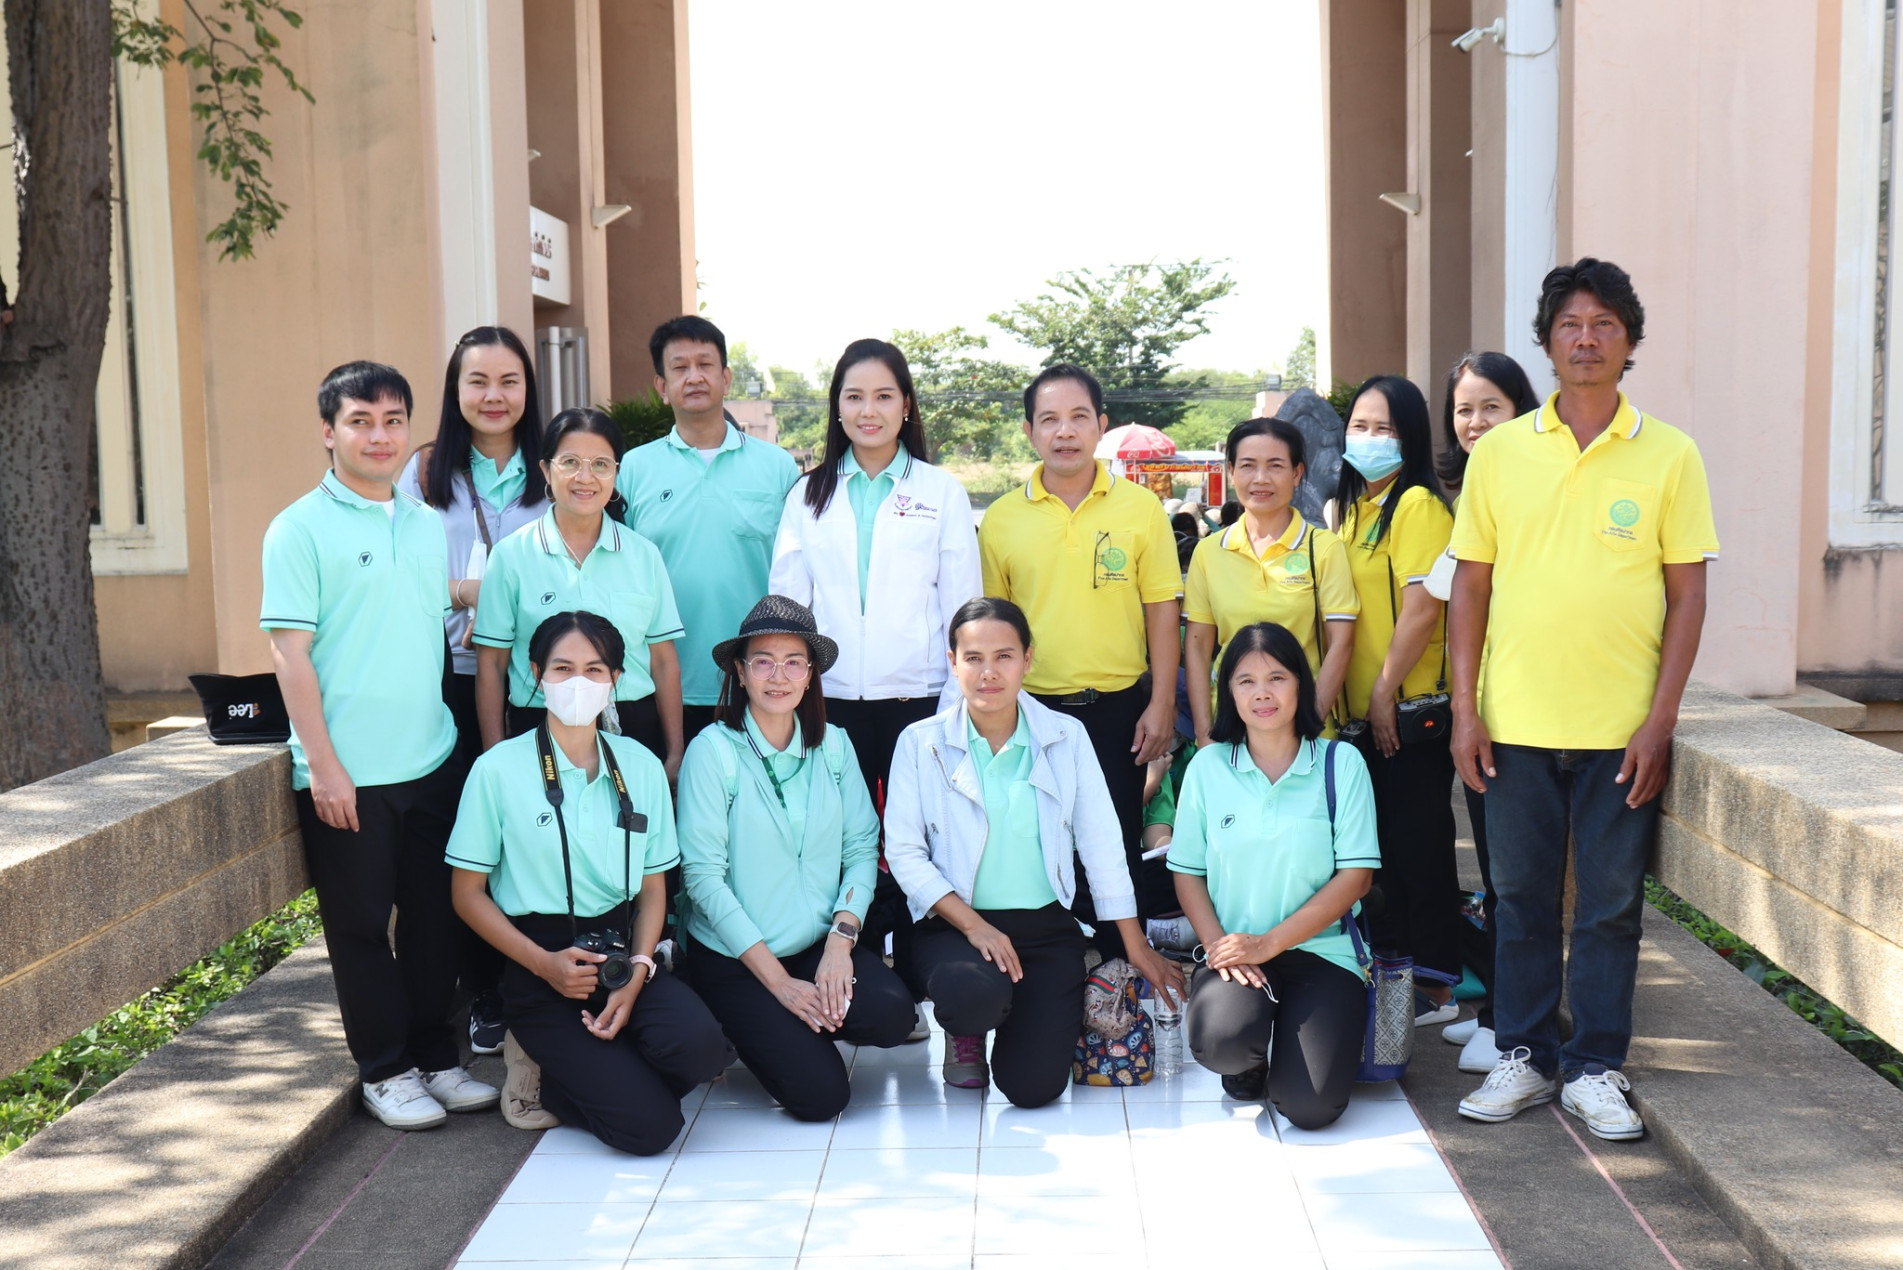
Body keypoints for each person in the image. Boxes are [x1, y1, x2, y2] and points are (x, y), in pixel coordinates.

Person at [1450, 259, 1718, 1141]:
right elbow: (1470, 591)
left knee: (1608, 909)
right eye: (1569, 323)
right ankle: (1523, 1055)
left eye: (1604, 323)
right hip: (1513, 726)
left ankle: (1596, 1067)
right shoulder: (1498, 453)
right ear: (1546, 341)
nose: (1586, 338)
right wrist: (1464, 708)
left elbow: (1687, 595)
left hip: (1618, 732)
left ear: (1629, 341)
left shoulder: (1670, 454)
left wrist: (1659, 720)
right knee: (1521, 901)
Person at [261, 361, 497, 1130]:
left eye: (393, 419)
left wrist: (512, 581)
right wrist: (323, 768)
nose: (379, 434)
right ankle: (385, 1070)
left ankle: (435, 1056)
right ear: (329, 432)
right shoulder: (298, 528)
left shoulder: (424, 521)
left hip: (430, 759)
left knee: (434, 922)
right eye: (361, 420)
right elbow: (290, 655)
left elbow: (435, 600)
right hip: (348, 775)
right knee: (362, 932)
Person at [447, 611, 734, 1152]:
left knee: (703, 1049)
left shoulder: (641, 766)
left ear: (615, 680)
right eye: (562, 668)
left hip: (622, 955)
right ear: (535, 674)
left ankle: (601, 1068)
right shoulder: (497, 770)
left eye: (594, 669)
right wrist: (544, 965)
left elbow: (654, 889)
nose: (578, 682)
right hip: (538, 962)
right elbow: (466, 894)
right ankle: (542, 1071)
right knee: (652, 1129)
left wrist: (640, 970)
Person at [885, 598, 1187, 1104]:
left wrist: (1135, 944)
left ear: (1028, 658)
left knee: (1034, 1087)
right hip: (954, 927)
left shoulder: (1066, 736)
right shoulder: (921, 742)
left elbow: (1102, 845)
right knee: (972, 995)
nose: (988, 673)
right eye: (973, 658)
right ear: (952, 661)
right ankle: (967, 1035)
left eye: (1004, 656)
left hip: (1046, 930)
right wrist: (975, 926)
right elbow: (904, 852)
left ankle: (1015, 1008)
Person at [676, 595, 915, 1121]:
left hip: (814, 945)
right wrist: (779, 984)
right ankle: (735, 1020)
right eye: (762, 660)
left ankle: (793, 1027)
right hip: (739, 958)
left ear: (811, 675)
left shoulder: (834, 746)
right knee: (821, 1098)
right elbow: (703, 879)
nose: (777, 676)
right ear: (740, 673)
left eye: (793, 662)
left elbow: (859, 849)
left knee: (891, 1016)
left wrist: (840, 943)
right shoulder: (712, 753)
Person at [977, 364, 1183, 959]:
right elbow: (994, 628)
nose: (1064, 432)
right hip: (1032, 710)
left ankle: (1117, 974)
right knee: (1037, 845)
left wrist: (1162, 703)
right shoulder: (1002, 519)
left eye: (1078, 418)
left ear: (1101, 425)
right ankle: (1049, 968)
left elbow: (1162, 611)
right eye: (1049, 420)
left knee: (1113, 845)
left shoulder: (1141, 510)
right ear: (1029, 430)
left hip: (1119, 710)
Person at [399, 326, 550, 1058]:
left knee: (531, 833)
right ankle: (484, 988)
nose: (494, 396)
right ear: (455, 391)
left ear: (529, 389)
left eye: (508, 381)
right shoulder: (424, 473)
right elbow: (392, 579)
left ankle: (533, 981)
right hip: (445, 689)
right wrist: (464, 592)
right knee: (466, 845)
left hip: (533, 688)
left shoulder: (553, 470)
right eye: (477, 381)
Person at [1170, 622, 1378, 1129]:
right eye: (1245, 681)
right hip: (1237, 954)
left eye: (1277, 678)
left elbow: (1356, 877)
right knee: (1222, 1041)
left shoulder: (1340, 763)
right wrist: (1221, 946)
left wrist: (1270, 943)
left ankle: (1291, 1038)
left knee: (1310, 1109)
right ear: (1229, 694)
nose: (1262, 693)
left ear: (1300, 685)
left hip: (1323, 954)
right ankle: (1250, 1061)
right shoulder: (1207, 767)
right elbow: (1188, 872)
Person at [1331, 376, 1461, 1026]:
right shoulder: (1353, 509)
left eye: (1383, 428)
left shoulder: (1416, 507)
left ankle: (1441, 989)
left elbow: (1419, 611)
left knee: (1419, 851)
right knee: (1380, 857)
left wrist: (1383, 691)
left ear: (1408, 437)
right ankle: (1399, 985)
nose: (1369, 437)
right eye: (1359, 424)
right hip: (1361, 722)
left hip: (1406, 717)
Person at [1433, 350, 1542, 1074]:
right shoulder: (1467, 486)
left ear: (1520, 408)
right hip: (1483, 706)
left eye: (1489, 406)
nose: (1475, 421)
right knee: (1500, 873)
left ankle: (1511, 1021)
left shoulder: (1532, 481)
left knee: (1516, 879)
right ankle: (1498, 1011)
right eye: (1463, 409)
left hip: (1531, 707)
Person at [615, 316, 800, 738]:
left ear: (727, 378)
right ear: (661, 386)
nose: (694, 377)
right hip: (660, 681)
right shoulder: (634, 470)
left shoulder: (776, 468)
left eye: (706, 365)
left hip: (758, 681)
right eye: (679, 368)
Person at [473, 408, 685, 776]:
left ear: (616, 473)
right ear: (545, 470)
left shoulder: (643, 555)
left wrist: (675, 752)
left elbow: (663, 662)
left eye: (601, 464)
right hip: (538, 727)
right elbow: (492, 664)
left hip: (632, 729)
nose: (585, 477)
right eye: (570, 462)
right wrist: (494, 758)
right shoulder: (511, 556)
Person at [1184, 418, 1358, 748]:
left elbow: (1341, 643)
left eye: (1275, 466)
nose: (1261, 479)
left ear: (1297, 473)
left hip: (1307, 732)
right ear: (1231, 471)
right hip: (1230, 729)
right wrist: (1204, 731)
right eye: (1248, 466)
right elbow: (1196, 646)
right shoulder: (1208, 552)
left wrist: (1309, 722)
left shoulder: (1323, 548)